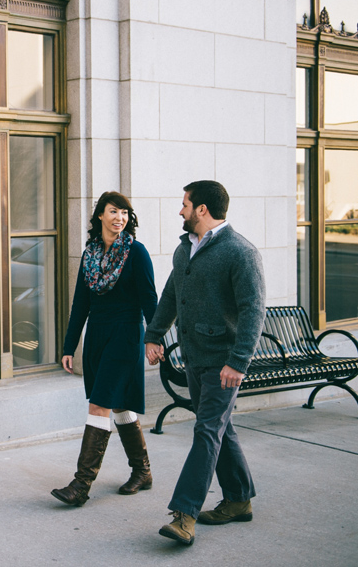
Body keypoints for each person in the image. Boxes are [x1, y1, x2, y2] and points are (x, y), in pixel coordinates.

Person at [144, 180, 265, 546]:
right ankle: (239, 499)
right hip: (193, 357)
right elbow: (170, 295)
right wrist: (153, 335)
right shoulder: (186, 249)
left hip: (224, 364)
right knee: (218, 429)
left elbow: (253, 310)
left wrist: (239, 362)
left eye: (185, 204)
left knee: (206, 431)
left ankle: (185, 515)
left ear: (201, 209)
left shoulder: (240, 251)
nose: (180, 211)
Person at [51, 191, 157, 507]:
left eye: (124, 213)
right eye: (113, 211)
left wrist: (155, 338)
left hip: (125, 337)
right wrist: (70, 346)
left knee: (99, 405)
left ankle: (81, 485)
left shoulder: (137, 253)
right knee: (120, 405)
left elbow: (150, 299)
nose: (119, 218)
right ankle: (143, 471)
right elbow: (80, 304)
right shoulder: (91, 255)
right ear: (100, 216)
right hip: (97, 336)